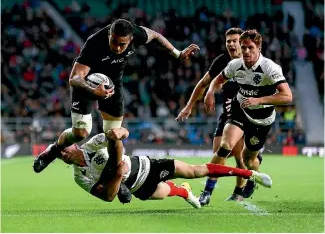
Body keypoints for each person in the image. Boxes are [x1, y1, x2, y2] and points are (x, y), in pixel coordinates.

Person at [33, 19, 200, 175]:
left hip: (112, 84)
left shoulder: (138, 35)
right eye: (114, 42)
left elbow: (155, 35)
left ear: (131, 39)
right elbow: (75, 78)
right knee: (81, 133)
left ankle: (114, 177)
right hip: (86, 85)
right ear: (109, 35)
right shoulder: (94, 43)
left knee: (114, 134)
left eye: (123, 45)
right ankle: (52, 151)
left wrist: (178, 53)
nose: (118, 48)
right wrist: (93, 91)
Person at [58, 127, 272, 208]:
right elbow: (107, 197)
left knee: (196, 171)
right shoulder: (79, 176)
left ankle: (249, 174)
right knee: (165, 193)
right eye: (61, 155)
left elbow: (121, 134)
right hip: (138, 188)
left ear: (75, 144)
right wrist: (117, 176)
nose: (64, 154)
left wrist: (121, 133)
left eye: (65, 149)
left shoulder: (93, 144)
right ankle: (184, 191)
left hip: (147, 166)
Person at [175, 28, 262, 204]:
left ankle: (221, 191)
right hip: (228, 113)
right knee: (219, 154)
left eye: (235, 40)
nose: (231, 44)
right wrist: (189, 106)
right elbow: (202, 84)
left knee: (233, 154)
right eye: (228, 41)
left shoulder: (255, 62)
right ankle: (253, 163)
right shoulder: (222, 61)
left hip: (247, 115)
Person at [204, 29, 292, 200]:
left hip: (262, 118)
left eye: (250, 48)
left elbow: (287, 96)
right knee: (225, 146)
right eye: (243, 47)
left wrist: (258, 100)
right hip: (241, 109)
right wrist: (210, 92)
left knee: (248, 159)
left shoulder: (270, 68)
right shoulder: (235, 65)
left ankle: (252, 177)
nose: (245, 52)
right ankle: (207, 192)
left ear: (259, 48)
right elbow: (219, 79)